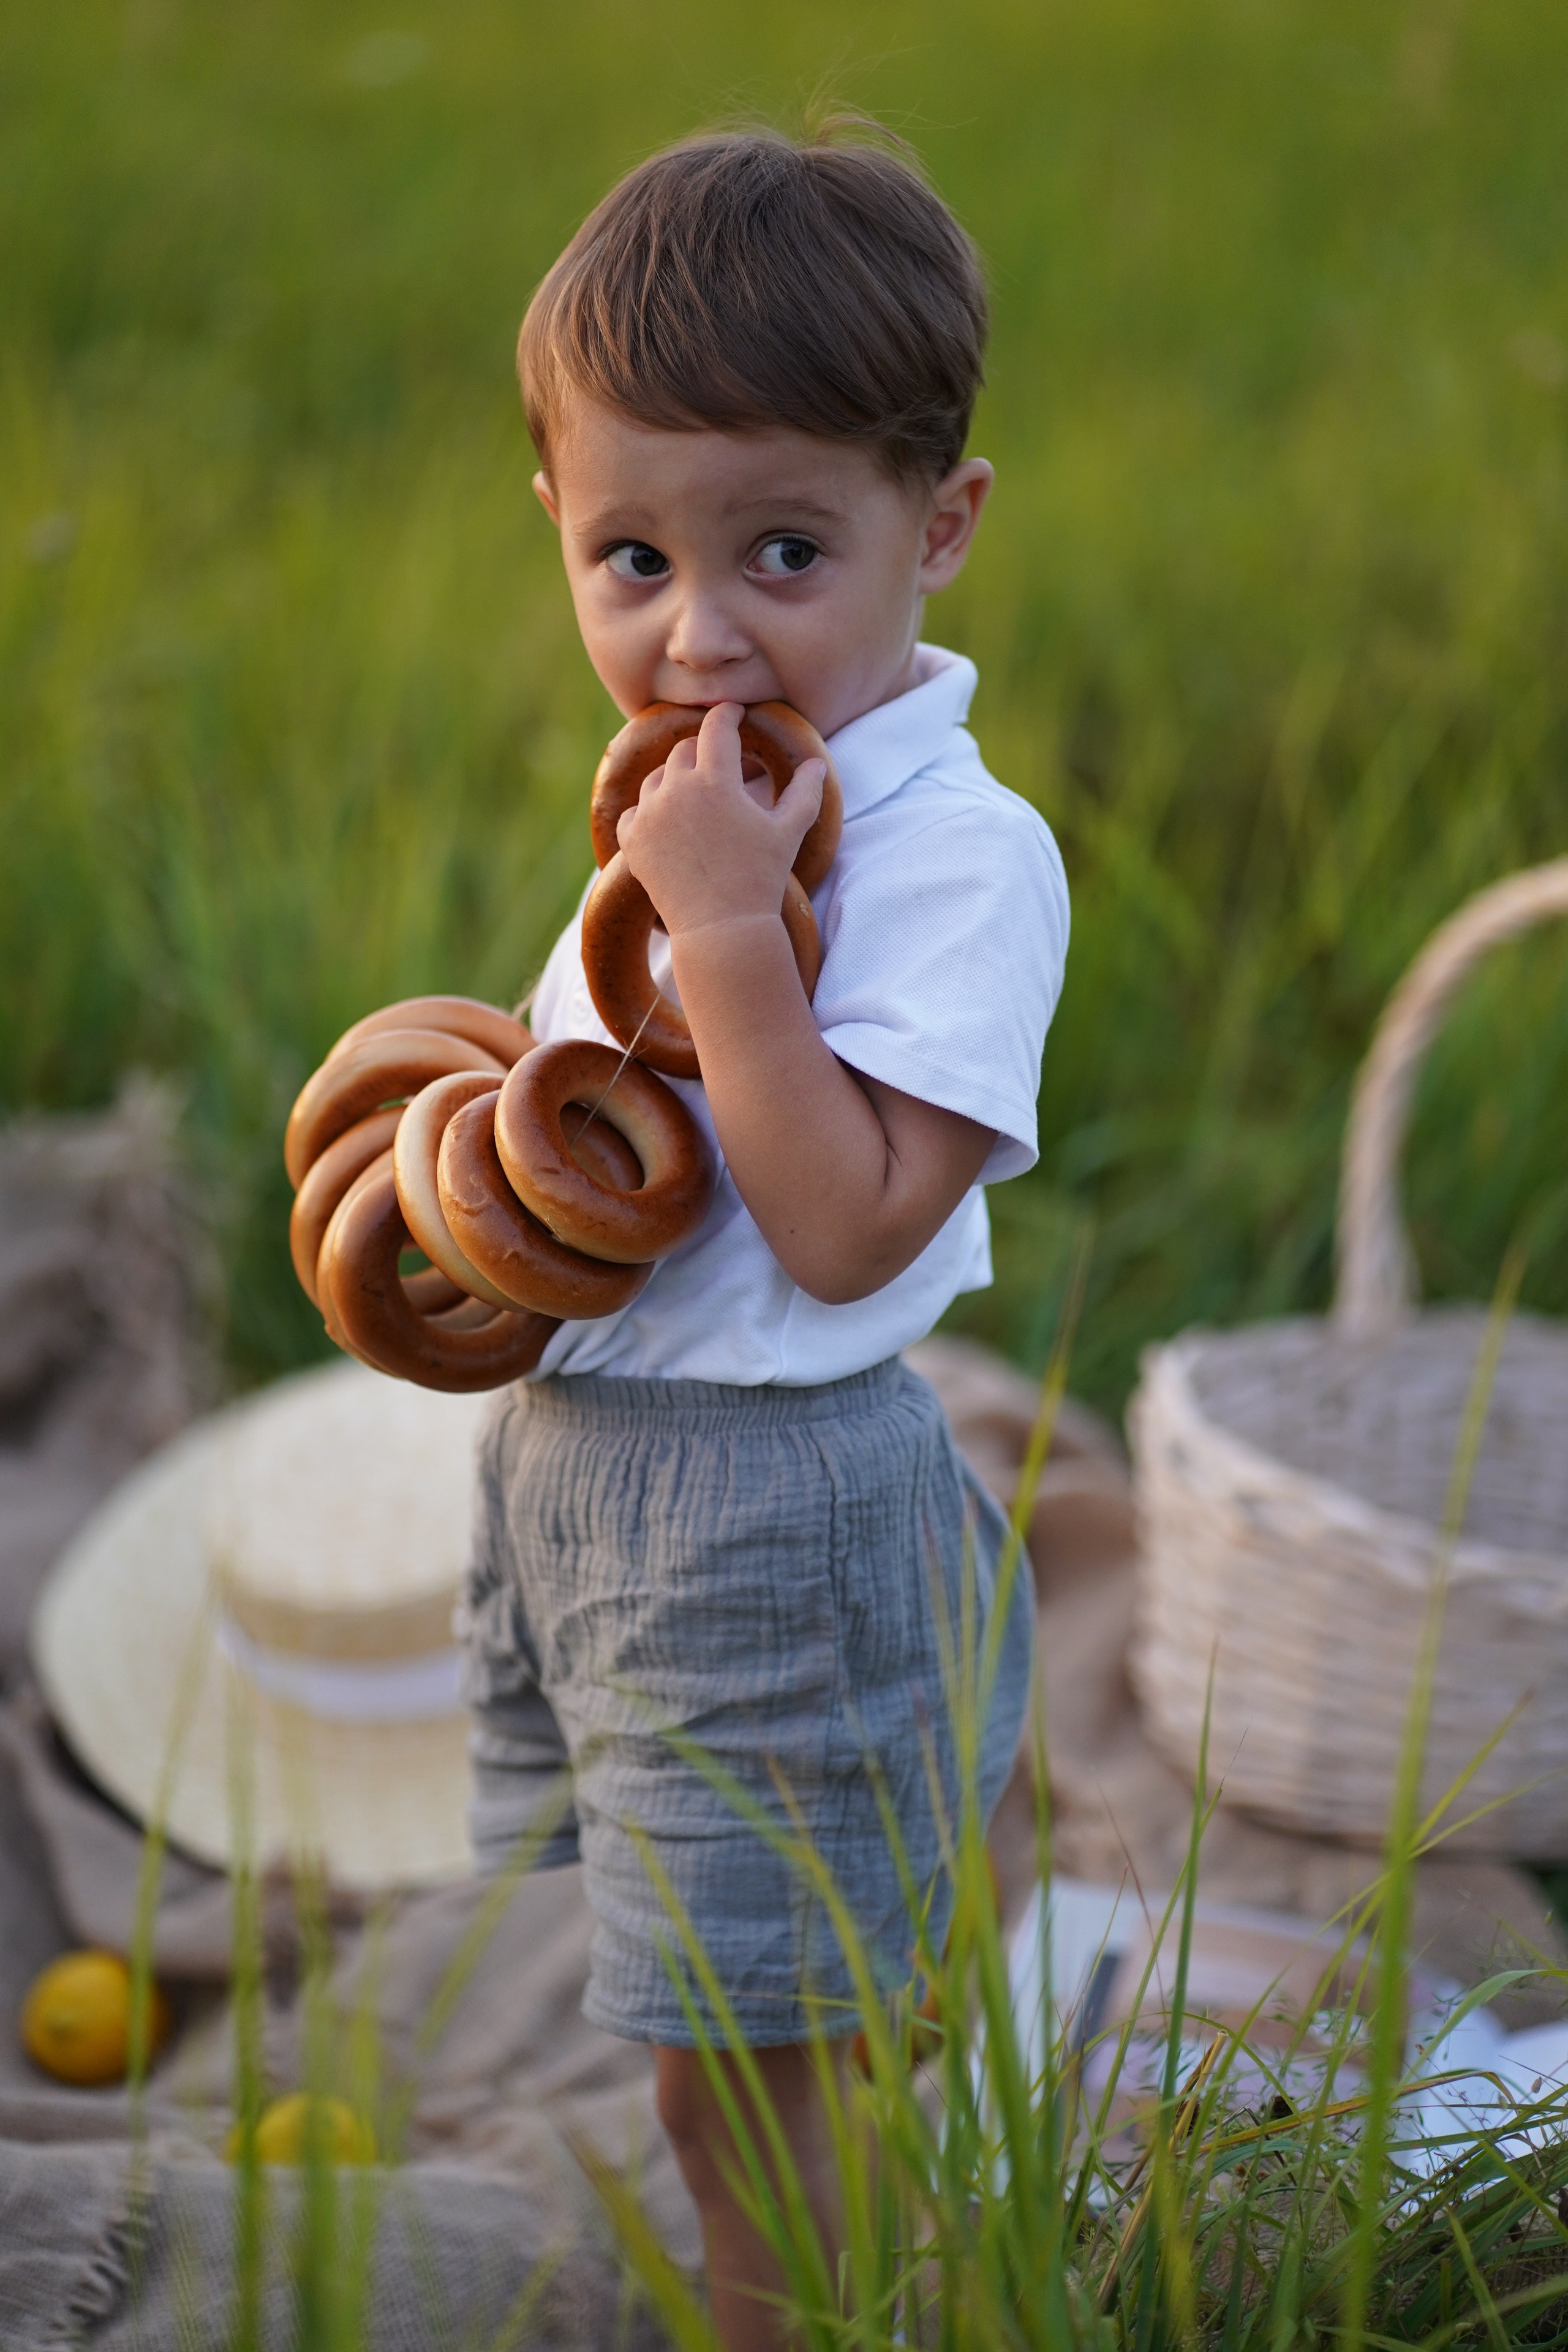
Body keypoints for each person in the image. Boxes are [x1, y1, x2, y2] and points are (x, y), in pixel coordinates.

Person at [460, 119, 1069, 2350]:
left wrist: (723, 931)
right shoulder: (713, 797)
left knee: (750, 2069)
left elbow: (841, 1226)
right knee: (707, 1990)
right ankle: (863, 2061)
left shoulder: (945, 856)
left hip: (755, 1518)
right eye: (629, 557)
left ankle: (782, 2308)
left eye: (785, 548)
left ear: (946, 527)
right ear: (556, 525)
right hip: (606, 1493)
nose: (699, 635)